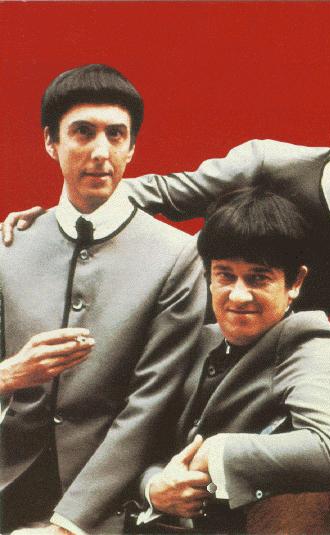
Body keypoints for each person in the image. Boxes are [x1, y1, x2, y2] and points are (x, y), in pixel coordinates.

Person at [4, 65, 330, 445]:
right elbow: (162, 192)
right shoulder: (267, 163)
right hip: (185, 331)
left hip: (275, 359)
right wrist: (59, 217)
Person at [0, 64, 206, 534]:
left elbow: (149, 406)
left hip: (109, 504)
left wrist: (66, 525)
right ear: (50, 142)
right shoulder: (9, 246)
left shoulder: (177, 257)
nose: (100, 152)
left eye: (116, 135)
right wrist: (10, 373)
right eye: (82, 132)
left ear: (132, 148)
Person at [133, 187, 330, 532]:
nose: (238, 296)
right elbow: (141, 444)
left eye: (258, 278)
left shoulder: (313, 341)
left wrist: (217, 451)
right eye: (225, 275)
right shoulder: (196, 338)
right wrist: (154, 487)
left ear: (295, 283)